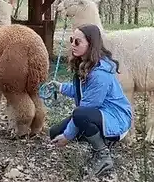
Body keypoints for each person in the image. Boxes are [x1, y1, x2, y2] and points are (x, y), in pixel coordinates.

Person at [47, 24, 132, 177]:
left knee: (79, 115)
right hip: (98, 113)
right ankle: (100, 141)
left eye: (77, 42)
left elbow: (86, 106)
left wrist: (67, 137)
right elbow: (82, 92)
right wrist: (60, 87)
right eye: (72, 40)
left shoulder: (99, 75)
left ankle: (103, 155)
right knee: (54, 133)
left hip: (116, 117)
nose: (72, 44)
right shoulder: (85, 64)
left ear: (90, 44)